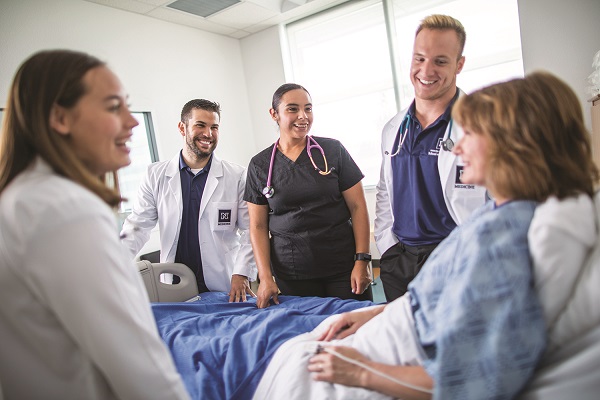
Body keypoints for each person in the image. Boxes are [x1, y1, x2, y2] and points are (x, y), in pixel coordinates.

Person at [253, 71, 599, 399]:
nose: (456, 148)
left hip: (372, 360)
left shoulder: (506, 240)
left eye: (470, 134)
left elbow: (472, 379)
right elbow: (441, 300)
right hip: (372, 325)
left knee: (250, 358)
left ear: (513, 145)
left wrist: (360, 372)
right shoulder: (496, 217)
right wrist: (375, 313)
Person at [0, 50, 189, 399]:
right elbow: (139, 364)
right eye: (113, 106)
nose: (132, 122)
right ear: (60, 117)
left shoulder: (21, 198)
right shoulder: (64, 209)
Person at [375, 14, 487, 301]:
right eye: (419, 58)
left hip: (454, 257)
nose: (426, 70)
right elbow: (386, 192)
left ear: (459, 64)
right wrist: (387, 246)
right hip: (399, 261)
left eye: (440, 61)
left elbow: (500, 199)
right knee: (402, 342)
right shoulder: (393, 128)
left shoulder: (483, 125)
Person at [244, 83, 373, 308]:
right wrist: (265, 277)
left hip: (343, 267)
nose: (303, 116)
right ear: (274, 114)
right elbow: (257, 226)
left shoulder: (333, 151)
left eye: (308, 109)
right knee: (308, 336)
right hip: (292, 272)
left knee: (356, 331)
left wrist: (362, 260)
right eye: (292, 109)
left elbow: (358, 207)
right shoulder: (259, 165)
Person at [121, 99, 256, 302]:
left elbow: (250, 230)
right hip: (174, 285)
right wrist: (114, 262)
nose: (208, 134)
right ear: (182, 128)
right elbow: (138, 226)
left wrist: (242, 272)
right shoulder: (155, 175)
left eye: (214, 127)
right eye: (200, 125)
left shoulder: (237, 176)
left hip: (224, 283)